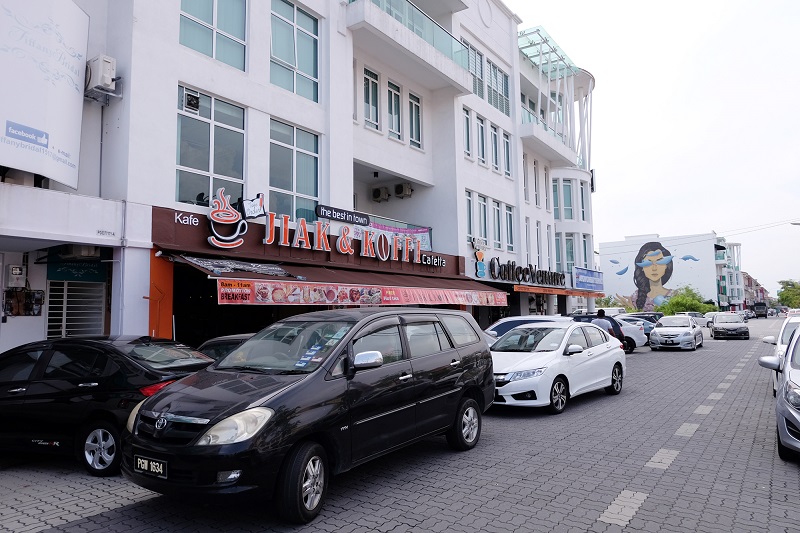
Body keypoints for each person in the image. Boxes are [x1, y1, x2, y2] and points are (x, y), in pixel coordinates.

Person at [629, 241, 674, 311]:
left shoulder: (674, 296)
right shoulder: (635, 297)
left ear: (666, 265)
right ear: (642, 268)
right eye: (648, 263)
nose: (654, 268)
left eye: (659, 262)